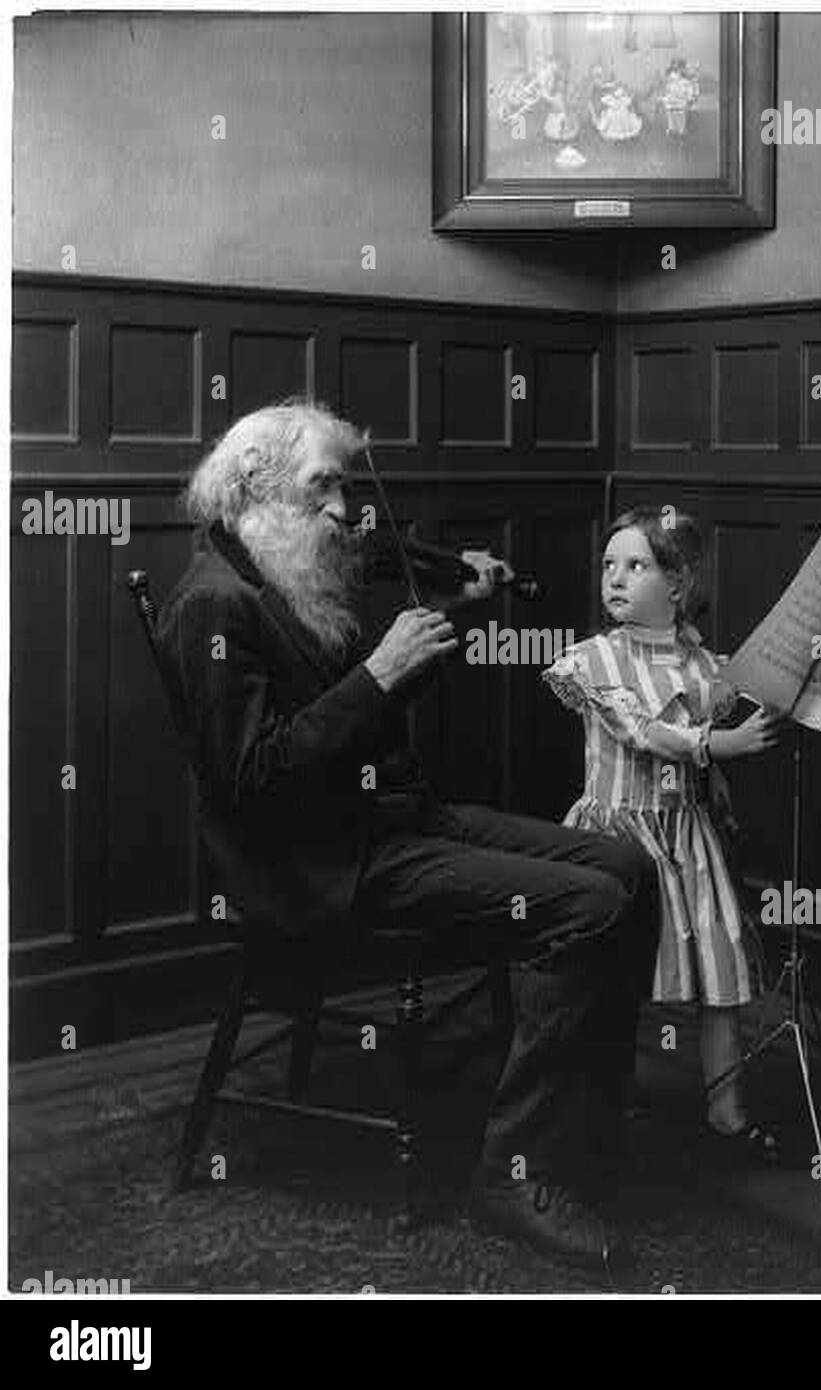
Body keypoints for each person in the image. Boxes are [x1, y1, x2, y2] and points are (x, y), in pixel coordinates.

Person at [156, 401, 657, 1273]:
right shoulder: (213, 607)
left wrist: (442, 615)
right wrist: (381, 674)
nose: (347, 512)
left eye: (347, 489)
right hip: (317, 868)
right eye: (326, 488)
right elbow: (252, 785)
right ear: (254, 490)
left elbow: (356, 687)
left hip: (383, 819)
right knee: (590, 905)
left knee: (626, 864)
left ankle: (582, 1126)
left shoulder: (277, 569)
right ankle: (513, 1168)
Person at [543, 506, 783, 1162]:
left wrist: (720, 789)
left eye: (636, 565)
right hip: (619, 840)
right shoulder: (593, 661)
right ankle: (589, 1110)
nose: (614, 579)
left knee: (720, 974)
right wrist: (719, 744)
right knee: (609, 979)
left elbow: (703, 746)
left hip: (688, 839)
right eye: (608, 566)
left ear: (677, 584)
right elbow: (642, 733)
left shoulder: (703, 664)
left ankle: (726, 1114)